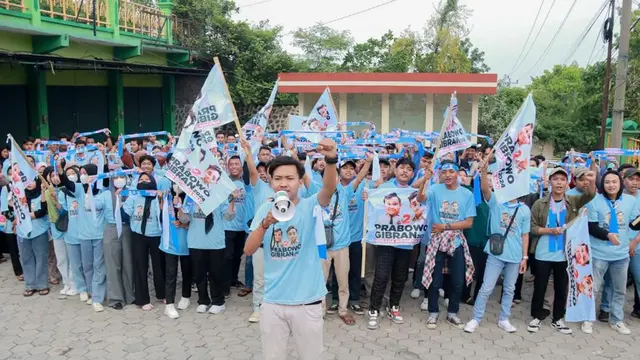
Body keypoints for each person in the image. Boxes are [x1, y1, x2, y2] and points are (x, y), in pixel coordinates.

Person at [244, 138, 338, 360]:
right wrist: (265, 224)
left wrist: (331, 159)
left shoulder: (310, 205)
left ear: (299, 181)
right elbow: (248, 250)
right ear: (270, 181)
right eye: (278, 178)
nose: (283, 183)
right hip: (273, 302)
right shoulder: (265, 209)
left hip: (307, 302)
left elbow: (329, 188)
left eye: (289, 178)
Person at [464, 157, 530, 333]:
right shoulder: (496, 203)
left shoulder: (524, 210)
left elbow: (525, 235)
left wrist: (525, 257)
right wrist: (484, 172)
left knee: (509, 289)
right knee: (486, 287)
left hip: (515, 256)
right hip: (495, 253)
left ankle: (504, 318)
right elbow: (485, 190)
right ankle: (476, 318)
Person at [527, 167, 595, 334]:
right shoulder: (539, 203)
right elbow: (532, 227)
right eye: (556, 179)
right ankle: (536, 316)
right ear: (550, 181)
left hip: (565, 253)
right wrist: (549, 230)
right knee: (540, 286)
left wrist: (592, 180)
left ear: (567, 183)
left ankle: (558, 318)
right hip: (543, 252)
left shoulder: (572, 200)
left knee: (562, 287)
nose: (559, 182)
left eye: (562, 179)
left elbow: (590, 195)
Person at [582, 170, 639, 335]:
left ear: (620, 183)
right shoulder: (595, 201)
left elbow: (634, 224)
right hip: (599, 253)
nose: (611, 185)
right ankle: (587, 319)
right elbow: (591, 227)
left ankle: (617, 320)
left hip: (621, 255)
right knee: (592, 288)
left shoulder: (630, 200)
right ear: (602, 184)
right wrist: (607, 235)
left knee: (619, 290)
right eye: (607, 182)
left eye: (614, 181)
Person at [422, 160, 476, 330]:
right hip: (437, 240)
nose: (447, 175)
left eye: (451, 172)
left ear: (458, 174)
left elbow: (468, 223)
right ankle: (433, 313)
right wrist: (425, 180)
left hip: (457, 240)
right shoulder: (435, 189)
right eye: (444, 172)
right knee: (434, 279)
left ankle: (452, 313)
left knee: (458, 279)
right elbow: (420, 198)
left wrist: (446, 226)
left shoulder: (466, 194)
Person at [323, 156, 371, 326]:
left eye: (335, 176)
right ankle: (320, 312)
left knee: (343, 279)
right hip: (322, 246)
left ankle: (343, 310)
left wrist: (369, 162)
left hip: (342, 246)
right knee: (321, 281)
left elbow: (359, 177)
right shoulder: (317, 193)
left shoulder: (345, 191)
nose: (333, 180)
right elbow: (305, 177)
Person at [181, 193, 236, 315]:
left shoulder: (219, 195)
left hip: (215, 242)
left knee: (216, 273)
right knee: (199, 274)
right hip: (196, 241)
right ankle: (203, 301)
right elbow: (184, 219)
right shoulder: (191, 196)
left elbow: (229, 216)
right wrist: (179, 206)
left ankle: (218, 302)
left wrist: (232, 201)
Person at [122, 173, 165, 311]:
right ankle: (142, 298)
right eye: (141, 179)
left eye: (147, 179)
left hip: (157, 235)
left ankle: (162, 293)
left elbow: (164, 215)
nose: (144, 181)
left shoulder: (159, 196)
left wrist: (161, 200)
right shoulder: (134, 197)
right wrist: (121, 198)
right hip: (139, 235)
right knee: (140, 266)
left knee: (159, 266)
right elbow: (124, 214)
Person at [95, 174, 134, 310]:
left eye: (121, 176)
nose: (119, 179)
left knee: (128, 263)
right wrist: (88, 188)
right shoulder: (106, 194)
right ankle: (115, 298)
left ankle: (130, 295)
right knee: (112, 264)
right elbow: (93, 205)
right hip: (111, 229)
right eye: (116, 177)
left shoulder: (131, 191)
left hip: (127, 228)